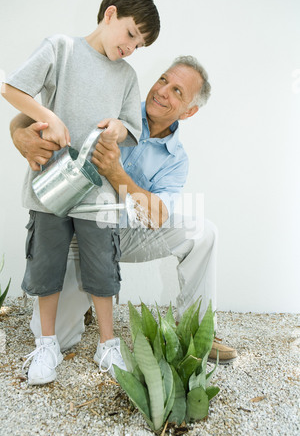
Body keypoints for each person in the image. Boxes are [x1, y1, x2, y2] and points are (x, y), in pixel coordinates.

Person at [10, 56, 237, 364]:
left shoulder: (176, 159)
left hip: (130, 233)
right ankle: (87, 298)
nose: (162, 91)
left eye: (178, 92)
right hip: (81, 229)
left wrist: (116, 173)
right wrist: (18, 134)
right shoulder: (118, 106)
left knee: (204, 231)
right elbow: (33, 114)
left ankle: (196, 332)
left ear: (190, 111)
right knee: (56, 337)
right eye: (162, 80)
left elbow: (157, 217)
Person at [1, 0, 160, 385]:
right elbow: (11, 88)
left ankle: (108, 345)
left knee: (103, 266)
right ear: (110, 14)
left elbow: (131, 129)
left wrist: (120, 127)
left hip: (98, 193)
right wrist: (47, 116)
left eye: (138, 45)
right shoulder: (61, 49)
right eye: (129, 34)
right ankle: (47, 344)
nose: (130, 48)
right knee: (46, 262)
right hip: (51, 186)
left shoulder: (127, 77)